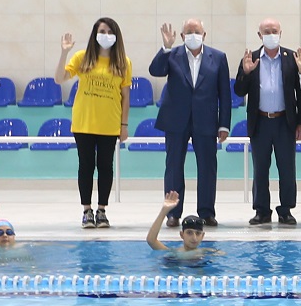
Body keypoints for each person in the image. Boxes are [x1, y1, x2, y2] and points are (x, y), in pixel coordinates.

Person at [150, 19, 231, 228]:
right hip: (176, 119)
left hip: (206, 120)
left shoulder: (218, 57)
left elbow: (224, 93)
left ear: (204, 35)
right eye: (188, 31)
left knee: (207, 167)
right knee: (174, 166)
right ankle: (173, 212)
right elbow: (156, 70)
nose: (193, 35)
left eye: (197, 31)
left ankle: (207, 212)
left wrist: (224, 124)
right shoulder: (172, 54)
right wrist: (165, 48)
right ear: (182, 36)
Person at [55, 17, 132, 228]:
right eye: (102, 31)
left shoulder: (123, 63)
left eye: (110, 32)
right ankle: (87, 211)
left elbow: (126, 96)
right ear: (95, 34)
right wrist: (64, 53)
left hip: (109, 123)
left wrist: (124, 125)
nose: (106, 35)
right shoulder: (82, 58)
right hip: (84, 122)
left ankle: (102, 210)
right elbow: (59, 78)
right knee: (86, 166)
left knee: (106, 167)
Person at [233, 17, 301, 225]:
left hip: (285, 121)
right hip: (260, 121)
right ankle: (262, 210)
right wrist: (246, 73)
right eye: (266, 32)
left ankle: (286, 210)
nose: (271, 35)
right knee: (260, 169)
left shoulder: (292, 58)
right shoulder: (251, 58)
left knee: (287, 168)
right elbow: (239, 91)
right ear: (259, 35)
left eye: (274, 31)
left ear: (280, 33)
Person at [145, 192, 213, 256]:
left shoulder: (208, 253)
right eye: (189, 233)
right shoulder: (174, 253)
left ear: (202, 236)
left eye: (198, 233)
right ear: (182, 235)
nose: (194, 238)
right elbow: (151, 240)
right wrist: (164, 211)